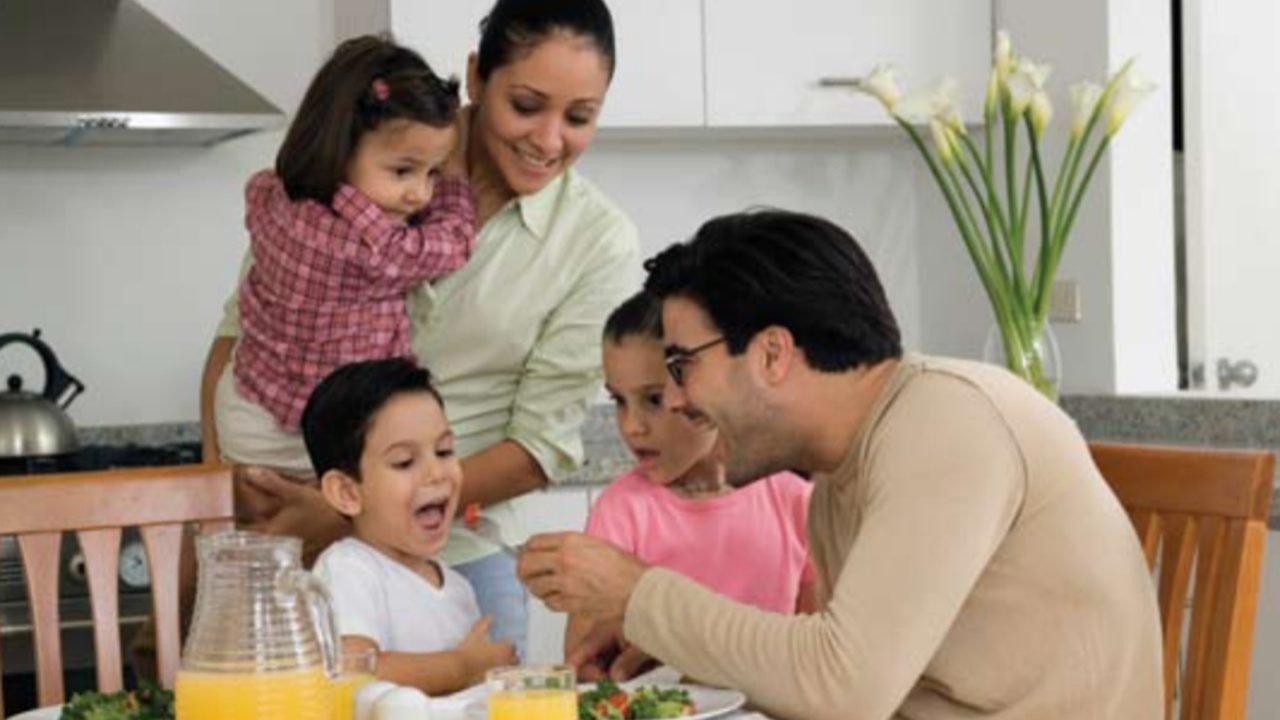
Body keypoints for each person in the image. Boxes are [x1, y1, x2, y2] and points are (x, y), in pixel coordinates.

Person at [518, 210, 1164, 720]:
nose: (679, 398)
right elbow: (828, 673)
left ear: (772, 354)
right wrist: (671, 646)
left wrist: (639, 592)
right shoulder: (841, 472)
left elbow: (842, 688)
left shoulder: (948, 422)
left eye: (684, 364)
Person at [200, 0, 639, 657]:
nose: (549, 140)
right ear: (476, 76)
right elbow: (242, 330)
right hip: (279, 542)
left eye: (579, 118)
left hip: (454, 557)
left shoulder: (596, 242)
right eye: (526, 104)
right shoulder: (362, 153)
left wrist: (347, 509)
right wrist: (220, 495)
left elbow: (536, 450)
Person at [215, 34, 476, 477]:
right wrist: (453, 177)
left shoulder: (274, 195)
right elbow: (455, 243)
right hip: (310, 442)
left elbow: (260, 190)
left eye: (432, 172)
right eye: (403, 170)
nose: (419, 193)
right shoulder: (373, 246)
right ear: (340, 149)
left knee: (264, 546)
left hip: (247, 413)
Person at [564, 291, 816, 672]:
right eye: (618, 401)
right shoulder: (621, 511)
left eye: (653, 399)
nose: (631, 426)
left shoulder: (796, 503)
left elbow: (818, 657)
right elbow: (584, 664)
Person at [305, 358, 516, 694]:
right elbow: (350, 675)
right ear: (347, 492)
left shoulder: (459, 588)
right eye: (404, 461)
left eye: (444, 451)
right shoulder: (349, 569)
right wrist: (464, 666)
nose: (436, 472)